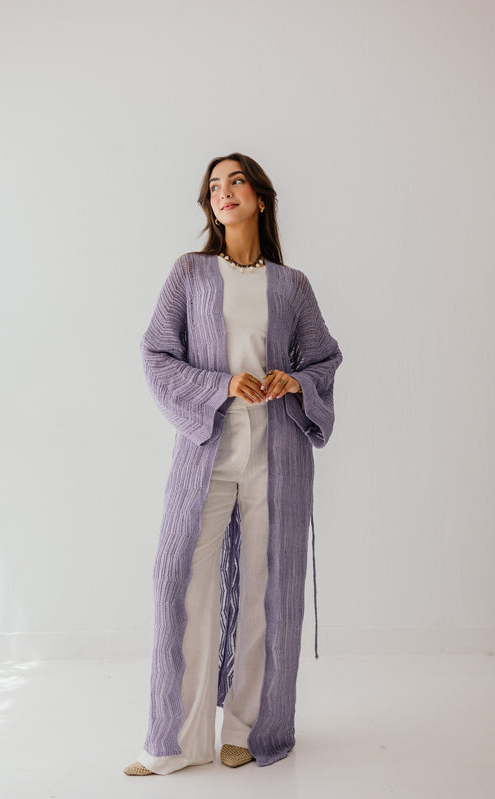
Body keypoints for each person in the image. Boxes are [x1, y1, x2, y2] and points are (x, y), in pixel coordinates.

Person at [124, 152, 343, 776]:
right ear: (210, 206)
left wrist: (293, 381)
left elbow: (324, 358)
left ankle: (249, 727)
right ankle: (175, 741)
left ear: (260, 198)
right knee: (178, 580)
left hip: (277, 455)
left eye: (236, 181)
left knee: (266, 588)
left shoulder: (292, 285)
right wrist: (222, 385)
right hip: (207, 453)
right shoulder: (189, 273)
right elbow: (157, 354)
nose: (225, 192)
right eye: (215, 186)